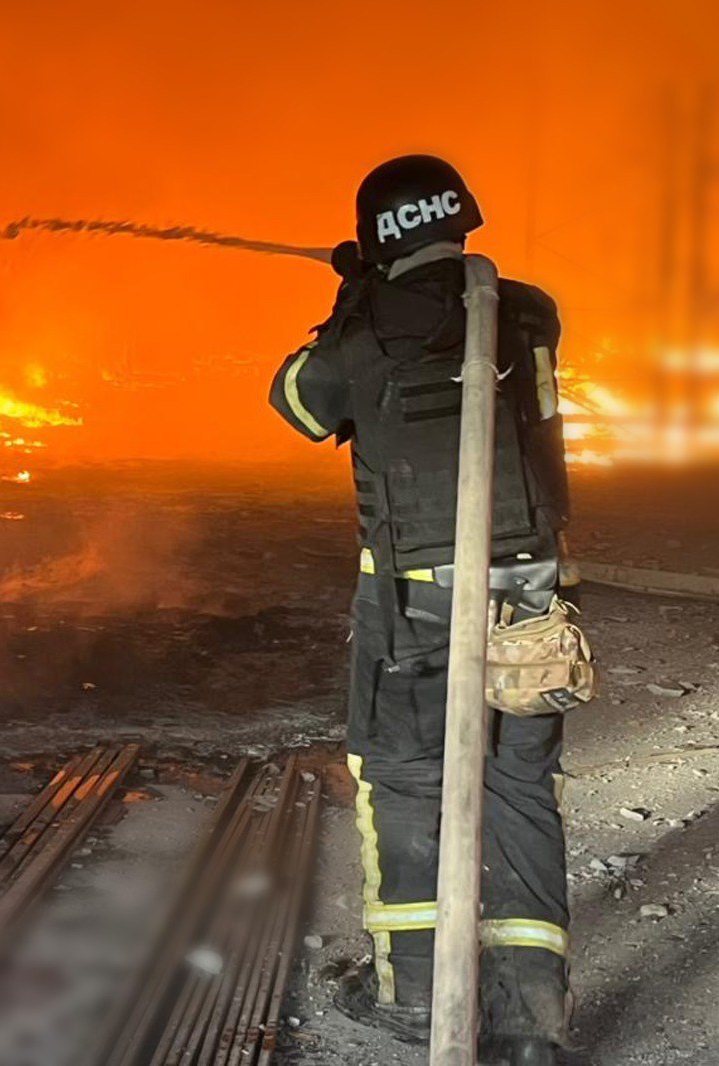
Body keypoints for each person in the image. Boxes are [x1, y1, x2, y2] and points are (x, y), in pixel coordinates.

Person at [268, 155, 574, 1066]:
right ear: (458, 218)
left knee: (404, 779)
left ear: (376, 237)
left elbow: (296, 403)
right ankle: (529, 1021)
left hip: (415, 600)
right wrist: (374, 286)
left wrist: (352, 300)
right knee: (519, 787)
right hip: (529, 592)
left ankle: (414, 996)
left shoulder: (365, 330)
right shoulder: (524, 311)